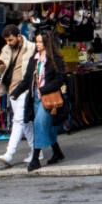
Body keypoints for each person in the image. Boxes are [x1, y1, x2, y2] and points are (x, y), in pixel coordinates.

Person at [11, 30, 68, 172]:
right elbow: (27, 80)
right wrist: (15, 93)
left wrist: (44, 89)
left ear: (46, 43)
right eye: (36, 41)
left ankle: (35, 159)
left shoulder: (55, 58)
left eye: (40, 42)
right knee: (47, 126)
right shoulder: (34, 59)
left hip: (49, 98)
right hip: (36, 98)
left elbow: (61, 78)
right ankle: (57, 152)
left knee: (38, 124)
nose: (37, 44)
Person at [0, 24, 37, 167]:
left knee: (18, 120)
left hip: (25, 89)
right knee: (26, 123)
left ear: (19, 36)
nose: (8, 43)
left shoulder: (31, 47)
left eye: (11, 40)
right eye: (6, 40)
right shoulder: (6, 49)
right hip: (12, 90)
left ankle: (9, 153)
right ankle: (36, 150)